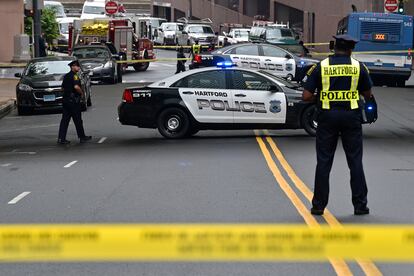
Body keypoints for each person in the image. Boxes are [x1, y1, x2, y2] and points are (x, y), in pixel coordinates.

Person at [302, 34, 374, 216]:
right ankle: (360, 205)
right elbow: (367, 94)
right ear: (351, 50)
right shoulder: (359, 68)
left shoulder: (321, 67)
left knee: (324, 162)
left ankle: (318, 206)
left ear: (333, 48)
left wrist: (323, 96)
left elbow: (306, 96)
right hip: (351, 118)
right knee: (355, 161)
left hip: (327, 118)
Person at [58, 60, 92, 145]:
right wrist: (82, 94)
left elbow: (62, 88)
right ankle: (82, 137)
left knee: (65, 120)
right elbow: (76, 87)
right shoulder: (75, 76)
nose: (78, 68)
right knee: (78, 120)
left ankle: (61, 138)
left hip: (66, 100)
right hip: (73, 101)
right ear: (72, 67)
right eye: (77, 66)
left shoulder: (66, 76)